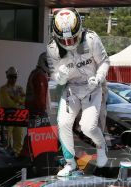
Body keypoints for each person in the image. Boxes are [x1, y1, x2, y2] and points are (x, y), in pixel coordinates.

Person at [47, 8, 110, 176]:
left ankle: (101, 146)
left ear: (80, 30)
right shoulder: (53, 49)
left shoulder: (91, 39)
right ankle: (70, 163)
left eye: (73, 39)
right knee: (63, 123)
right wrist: (60, 76)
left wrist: (98, 77)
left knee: (87, 127)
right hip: (71, 88)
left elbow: (104, 61)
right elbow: (55, 78)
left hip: (93, 87)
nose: (69, 43)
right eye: (64, 40)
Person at [0, 66, 25, 157]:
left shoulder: (19, 88)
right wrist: (18, 101)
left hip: (18, 116)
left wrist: (15, 99)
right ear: (7, 76)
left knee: (18, 139)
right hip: (6, 117)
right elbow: (7, 103)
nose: (13, 79)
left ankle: (17, 157)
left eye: (15, 77)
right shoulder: (3, 89)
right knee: (6, 140)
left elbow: (24, 101)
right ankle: (6, 158)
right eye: (11, 76)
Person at [25, 52, 50, 117]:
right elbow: (40, 95)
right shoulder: (40, 75)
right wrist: (42, 111)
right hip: (36, 111)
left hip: (32, 110)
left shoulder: (36, 72)